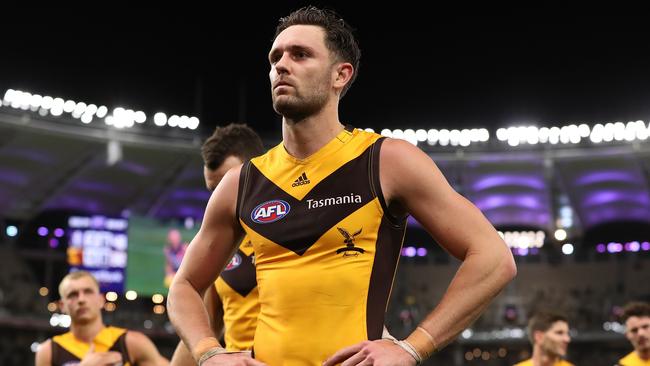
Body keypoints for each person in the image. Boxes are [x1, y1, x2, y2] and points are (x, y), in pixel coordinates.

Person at [167, 6, 516, 366]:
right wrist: (208, 353)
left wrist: (413, 347)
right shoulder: (240, 184)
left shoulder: (386, 161)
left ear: (341, 75)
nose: (281, 66)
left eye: (300, 54)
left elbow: (493, 257)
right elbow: (184, 286)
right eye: (275, 57)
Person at [170, 123, 265, 365]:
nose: (220, 197)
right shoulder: (215, 249)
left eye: (229, 182)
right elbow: (206, 324)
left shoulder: (297, 228)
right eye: (213, 190)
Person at [35, 270, 169, 366]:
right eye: (72, 295)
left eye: (88, 292)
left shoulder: (132, 342)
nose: (81, 299)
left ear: (100, 300)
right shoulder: (49, 351)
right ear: (62, 305)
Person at [617, 301, 650, 366]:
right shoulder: (623, 365)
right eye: (634, 330)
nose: (641, 333)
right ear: (627, 335)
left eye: (645, 327)